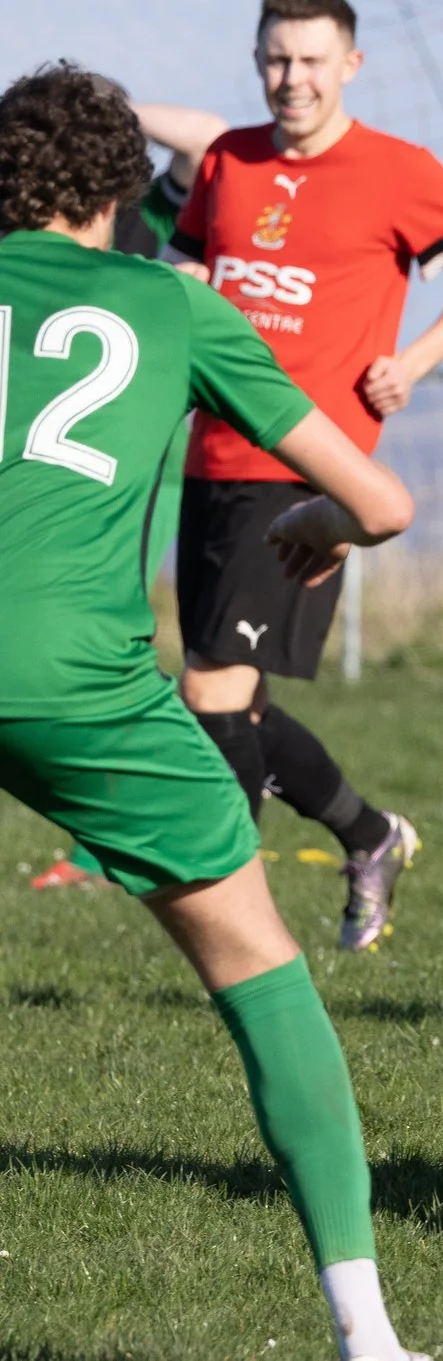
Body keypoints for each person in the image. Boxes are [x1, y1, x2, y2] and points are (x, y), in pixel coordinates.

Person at [0, 62, 428, 1359]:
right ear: (128, 188)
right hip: (71, 682)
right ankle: (363, 1329)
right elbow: (383, 503)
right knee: (256, 965)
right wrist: (315, 520)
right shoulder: (172, 305)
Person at [164, 0, 443, 952]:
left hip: (313, 470)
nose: (293, 79)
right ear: (257, 59)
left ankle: (231, 929)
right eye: (277, 58)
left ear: (349, 65)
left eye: (312, 60)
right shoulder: (228, 162)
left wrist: (414, 360)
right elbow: (188, 284)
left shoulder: (399, 171)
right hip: (210, 459)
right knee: (235, 694)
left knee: (209, 693)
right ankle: (370, 834)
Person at [29, 100, 231, 891]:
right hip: (36, 463)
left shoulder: (147, 213)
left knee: (108, 633)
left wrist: (104, 110)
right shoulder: (27, 229)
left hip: (124, 464)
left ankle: (94, 850)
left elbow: (212, 139)